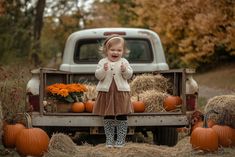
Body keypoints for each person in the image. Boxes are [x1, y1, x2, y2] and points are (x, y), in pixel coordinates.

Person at [93, 34, 133, 148]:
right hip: (106, 93)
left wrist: (125, 70)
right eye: (112, 50)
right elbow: (98, 76)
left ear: (123, 51)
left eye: (119, 50)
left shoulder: (124, 62)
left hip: (121, 93)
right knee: (108, 116)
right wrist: (103, 70)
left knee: (122, 115)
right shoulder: (102, 62)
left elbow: (129, 76)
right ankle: (109, 140)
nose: (115, 52)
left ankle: (120, 140)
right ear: (106, 50)